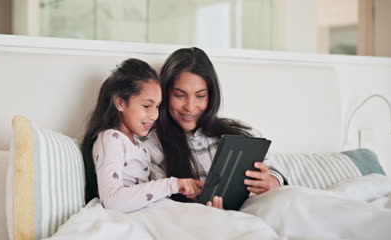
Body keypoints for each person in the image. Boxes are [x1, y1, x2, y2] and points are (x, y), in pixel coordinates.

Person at [142, 47, 287, 209]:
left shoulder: (239, 132)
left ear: (211, 96)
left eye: (200, 96)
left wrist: (271, 182)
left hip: (256, 212)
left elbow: (276, 171)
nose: (190, 107)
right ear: (165, 94)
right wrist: (211, 214)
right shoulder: (151, 147)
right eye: (179, 95)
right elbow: (160, 206)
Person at [81, 58, 203, 213]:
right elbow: (111, 200)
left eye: (157, 107)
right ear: (120, 103)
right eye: (146, 106)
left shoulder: (141, 147)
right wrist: (173, 185)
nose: (154, 115)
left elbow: (150, 191)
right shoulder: (111, 138)